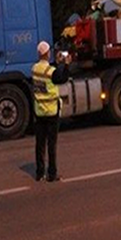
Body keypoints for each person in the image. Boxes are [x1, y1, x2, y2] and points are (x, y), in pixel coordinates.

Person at [32, 41, 70, 182]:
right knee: (51, 144)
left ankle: (39, 173)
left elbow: (47, 71)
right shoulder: (51, 72)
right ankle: (52, 174)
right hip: (52, 112)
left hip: (39, 111)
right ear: (47, 53)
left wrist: (57, 63)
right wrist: (65, 64)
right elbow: (62, 78)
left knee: (39, 144)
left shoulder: (34, 69)